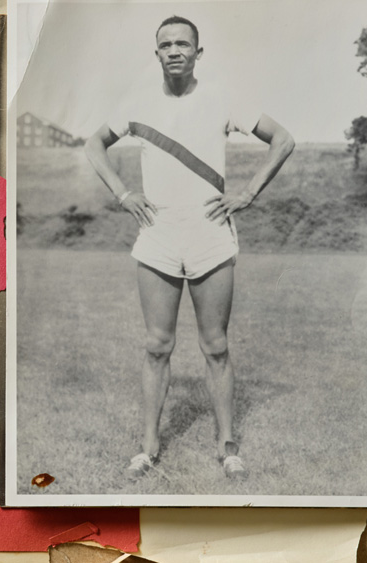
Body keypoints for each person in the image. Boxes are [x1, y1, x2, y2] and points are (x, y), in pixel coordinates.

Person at [84, 15, 295, 479]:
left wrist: (249, 193)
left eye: (184, 44)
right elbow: (94, 144)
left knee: (215, 346)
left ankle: (228, 446)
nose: (174, 50)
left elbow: (283, 139)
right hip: (157, 236)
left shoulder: (223, 98)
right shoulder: (136, 102)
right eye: (166, 44)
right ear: (155, 52)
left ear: (199, 53)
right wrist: (123, 194)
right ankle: (148, 447)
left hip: (211, 235)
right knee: (157, 345)